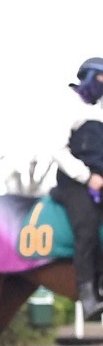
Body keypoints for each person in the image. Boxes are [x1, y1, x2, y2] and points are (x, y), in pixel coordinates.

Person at [50, 56, 103, 320]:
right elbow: (58, 150)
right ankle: (88, 295)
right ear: (91, 77)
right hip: (74, 184)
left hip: (100, 182)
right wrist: (87, 177)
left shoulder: (100, 110)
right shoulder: (70, 104)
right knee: (87, 227)